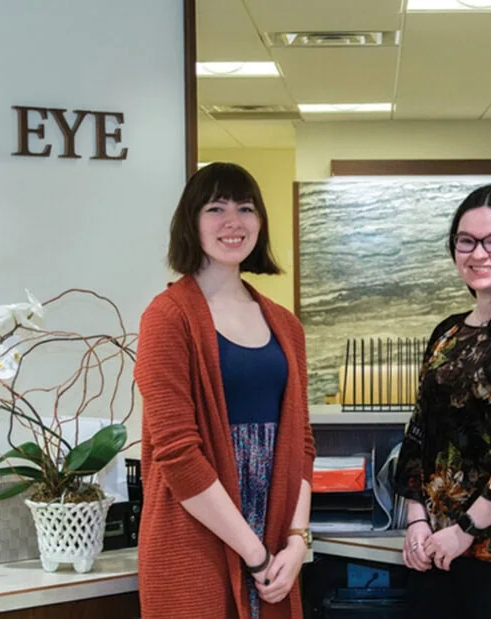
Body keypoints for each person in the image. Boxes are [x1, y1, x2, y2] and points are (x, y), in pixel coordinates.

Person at [134, 162, 315, 619]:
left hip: (274, 534)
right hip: (196, 531)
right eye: (216, 208)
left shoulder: (286, 325)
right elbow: (177, 455)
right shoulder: (166, 317)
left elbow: (303, 445)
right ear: (191, 223)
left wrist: (296, 541)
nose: (233, 222)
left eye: (246, 208)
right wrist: (252, 552)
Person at [394, 184, 491, 618]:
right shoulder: (446, 334)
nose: (479, 254)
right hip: (435, 554)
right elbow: (419, 433)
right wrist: (417, 522)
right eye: (466, 241)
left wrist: (465, 530)